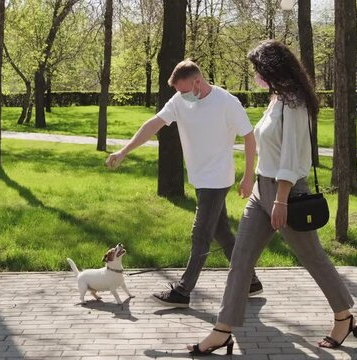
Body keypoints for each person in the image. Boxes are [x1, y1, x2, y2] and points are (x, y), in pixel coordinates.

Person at [187, 40, 357, 355]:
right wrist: (256, 185)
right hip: (262, 193)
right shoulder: (277, 98)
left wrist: (280, 199)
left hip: (287, 193)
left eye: (257, 68)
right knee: (240, 261)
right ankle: (222, 331)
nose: (255, 74)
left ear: (271, 68)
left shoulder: (295, 102)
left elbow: (294, 156)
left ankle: (344, 316)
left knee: (312, 257)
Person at [106, 59, 263, 308]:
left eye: (183, 90)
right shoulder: (180, 100)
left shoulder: (226, 102)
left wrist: (248, 176)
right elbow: (153, 125)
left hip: (218, 178)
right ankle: (251, 281)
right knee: (222, 232)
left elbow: (248, 136)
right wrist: (124, 151)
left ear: (197, 82)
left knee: (200, 235)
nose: (180, 95)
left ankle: (183, 290)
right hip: (200, 179)